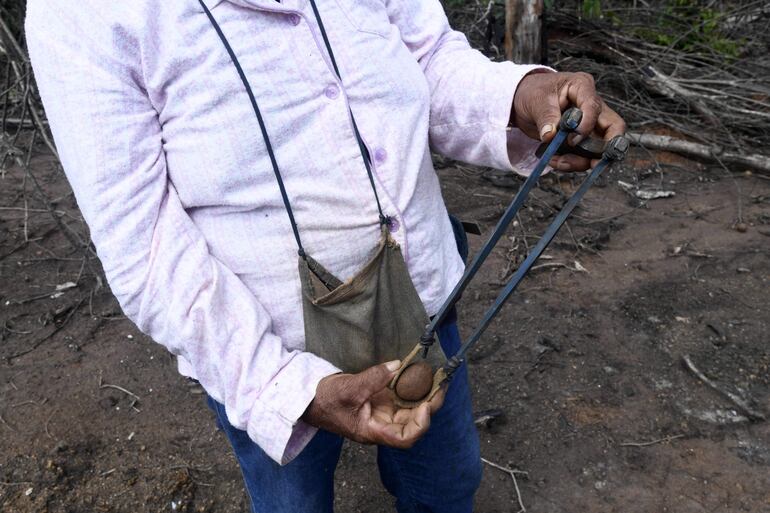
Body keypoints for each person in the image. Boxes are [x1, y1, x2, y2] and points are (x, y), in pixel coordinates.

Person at [26, 0, 625, 511]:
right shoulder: (82, 14)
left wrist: (519, 96)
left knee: (445, 482)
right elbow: (144, 241)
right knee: (292, 500)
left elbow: (426, 55)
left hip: (423, 296)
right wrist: (285, 390)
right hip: (264, 340)